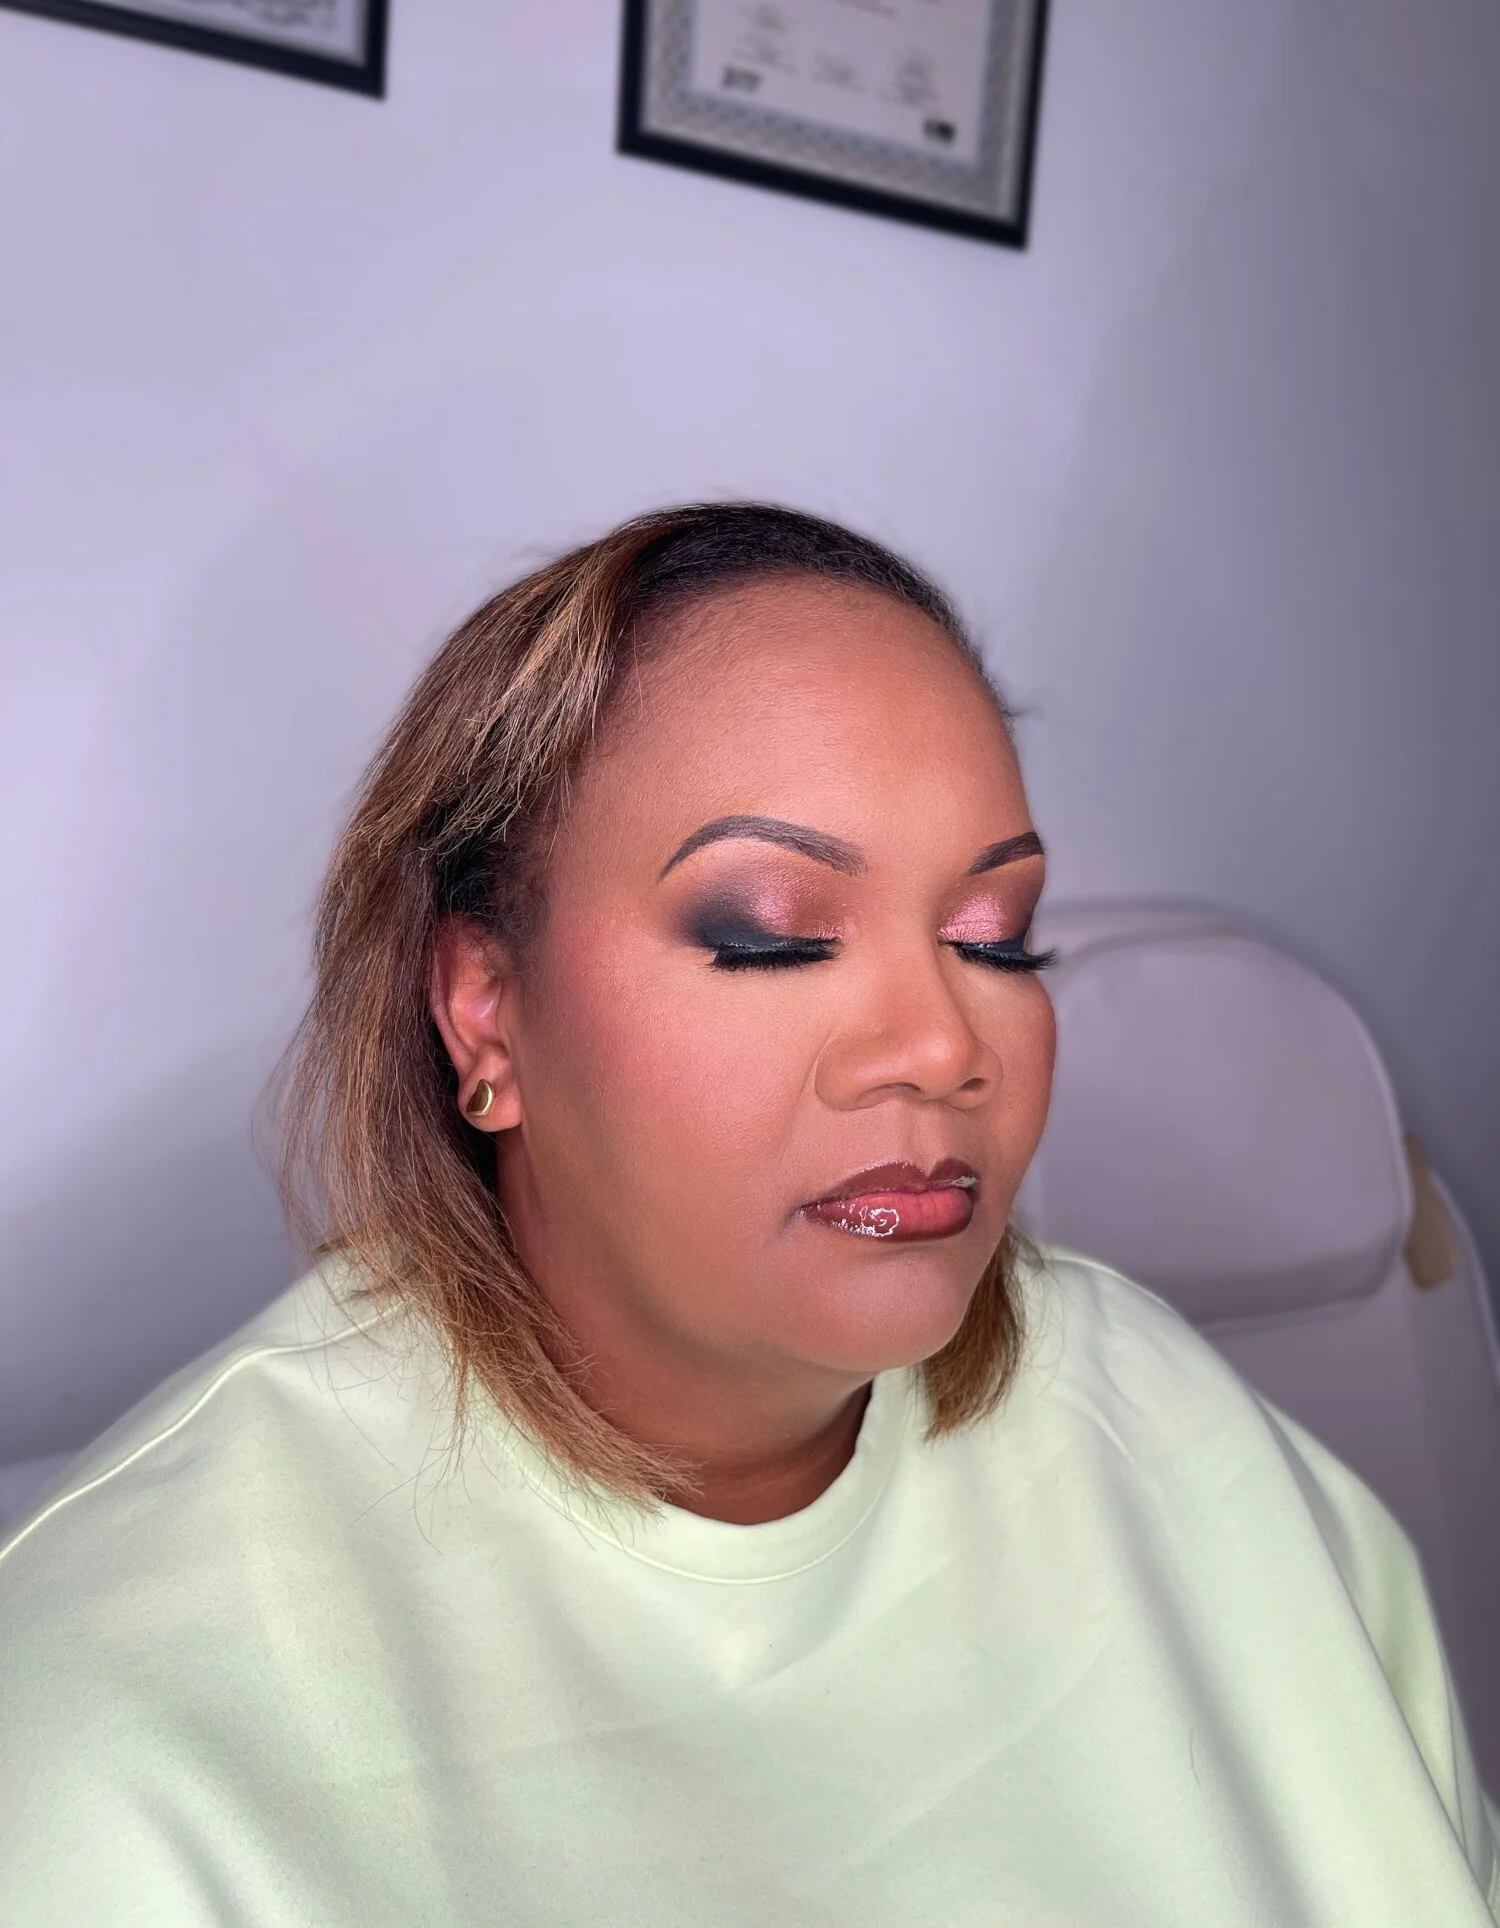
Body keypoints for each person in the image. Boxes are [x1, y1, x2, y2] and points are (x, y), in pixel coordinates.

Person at [1, 503, 1495, 1925]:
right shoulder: (110, 1729)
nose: (942, 1043)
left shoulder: (1162, 1415)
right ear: (486, 1009)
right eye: (771, 937)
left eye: (996, 937)